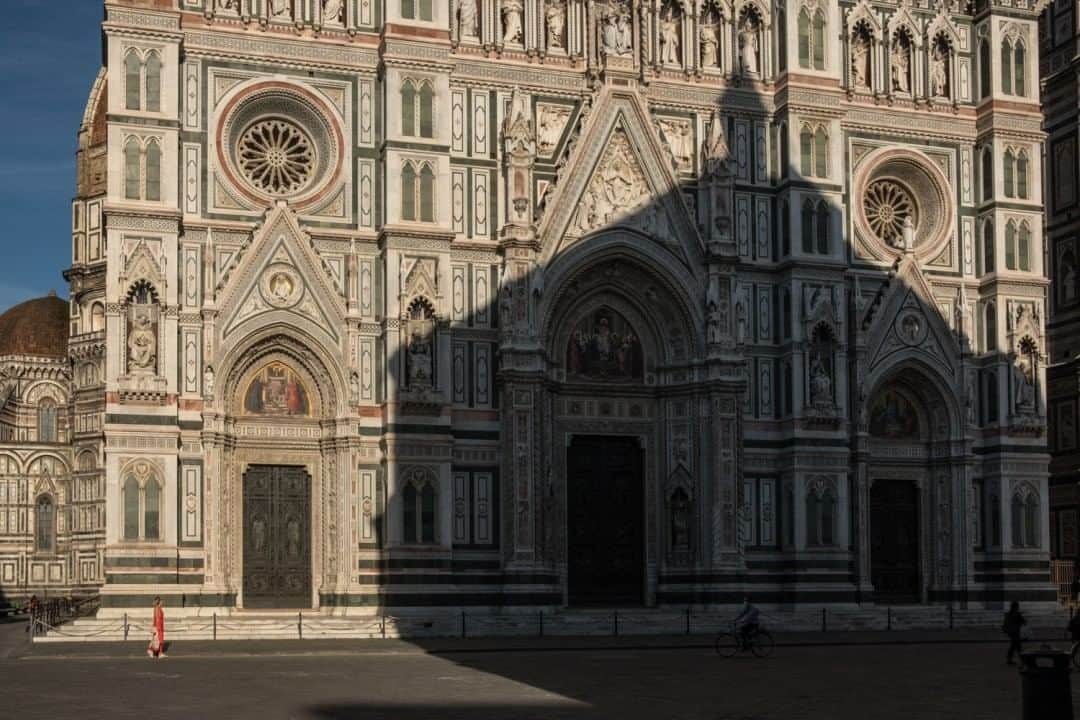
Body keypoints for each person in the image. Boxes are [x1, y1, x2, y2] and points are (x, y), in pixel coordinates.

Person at [1003, 600, 1025, 665]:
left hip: (1011, 632)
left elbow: (1005, 623)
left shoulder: (1008, 614)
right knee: (1017, 646)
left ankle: (1009, 658)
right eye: (1017, 606)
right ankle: (1022, 659)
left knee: (1014, 645)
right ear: (1016, 607)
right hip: (1016, 632)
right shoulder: (1017, 614)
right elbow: (1023, 621)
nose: (1018, 608)